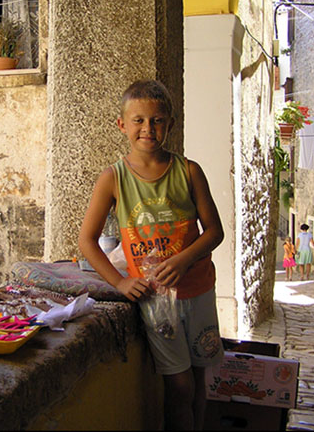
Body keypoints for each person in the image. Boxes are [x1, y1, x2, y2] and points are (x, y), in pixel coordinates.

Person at [78, 79, 225, 430]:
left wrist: (184, 259)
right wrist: (120, 282)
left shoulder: (188, 171)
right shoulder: (112, 179)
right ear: (122, 125)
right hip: (156, 300)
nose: (148, 128)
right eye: (139, 120)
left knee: (200, 381)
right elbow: (87, 241)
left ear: (170, 124)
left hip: (199, 289)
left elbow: (215, 232)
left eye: (157, 120)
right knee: (180, 384)